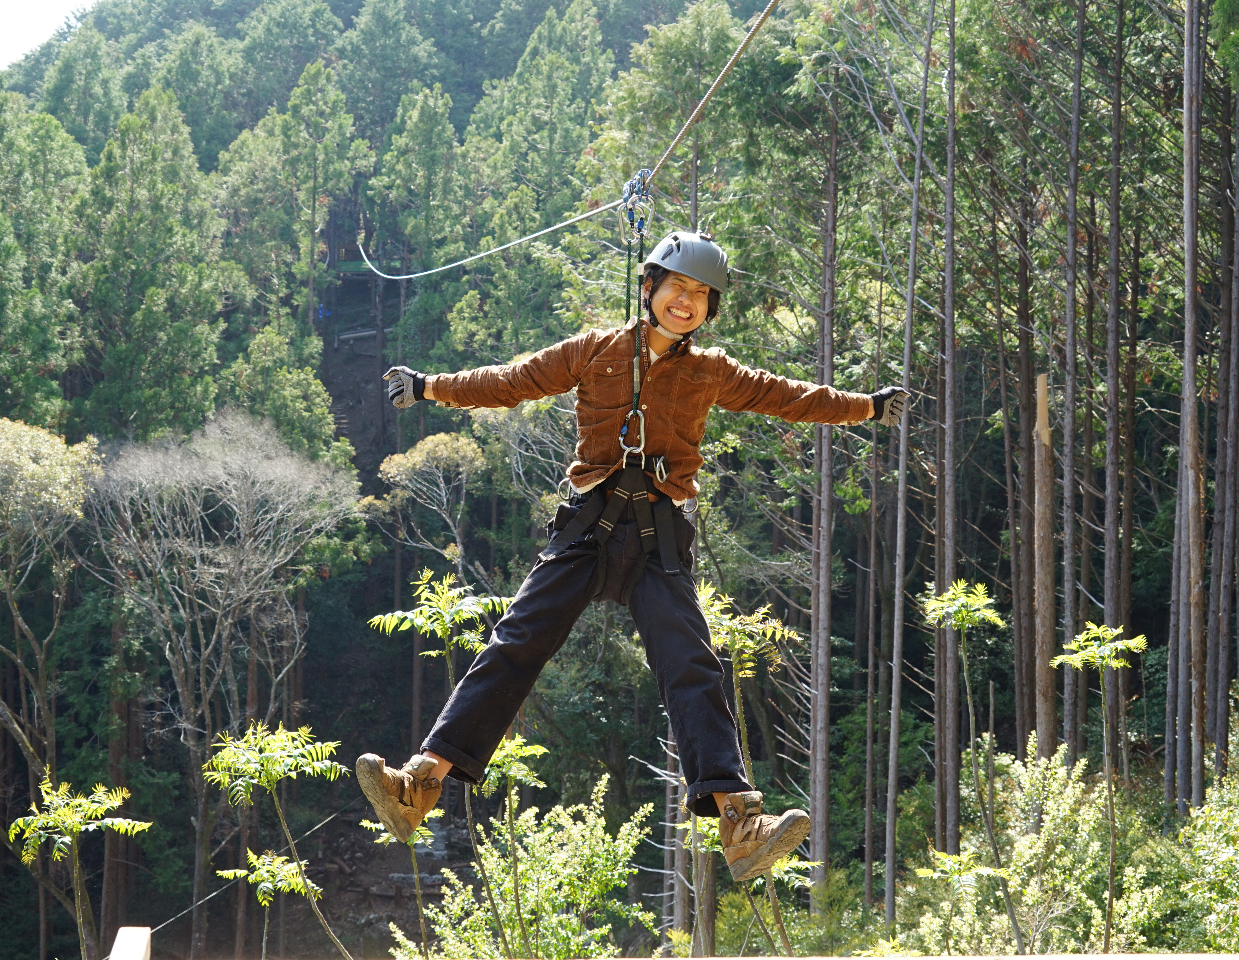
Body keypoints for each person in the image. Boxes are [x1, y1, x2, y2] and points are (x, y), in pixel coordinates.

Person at [359, 230, 908, 882]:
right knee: (516, 644)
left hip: (658, 538)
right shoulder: (595, 351)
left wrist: (867, 407)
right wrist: (429, 388)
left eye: (701, 295)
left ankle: (740, 824)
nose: (687, 302)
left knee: (691, 665)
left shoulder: (711, 371)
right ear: (648, 288)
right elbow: (513, 381)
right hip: (588, 528)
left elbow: (790, 398)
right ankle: (418, 784)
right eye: (677, 287)